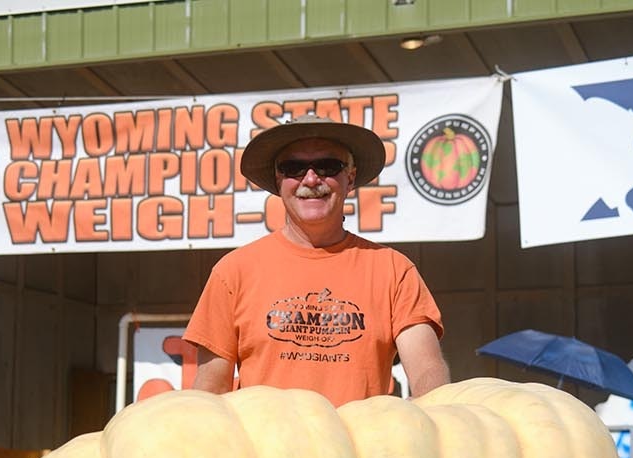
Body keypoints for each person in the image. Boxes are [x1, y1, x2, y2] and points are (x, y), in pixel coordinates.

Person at [184, 113, 450, 406]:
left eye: (327, 166)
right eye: (294, 168)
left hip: (363, 450)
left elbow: (427, 370)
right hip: (267, 451)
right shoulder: (232, 272)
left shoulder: (394, 270)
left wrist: (430, 406)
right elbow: (210, 392)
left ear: (349, 178)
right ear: (278, 180)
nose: (311, 179)